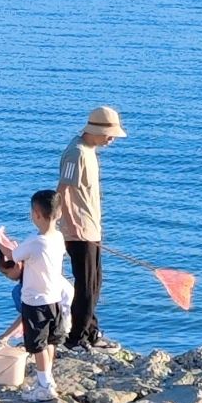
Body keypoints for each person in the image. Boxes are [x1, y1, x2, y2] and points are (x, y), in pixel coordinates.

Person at [57, 105, 127, 352]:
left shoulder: (89, 151)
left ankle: (90, 332)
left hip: (91, 228)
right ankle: (76, 338)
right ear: (95, 130)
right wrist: (72, 223)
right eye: (109, 134)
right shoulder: (75, 152)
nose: (111, 140)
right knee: (86, 286)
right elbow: (62, 190)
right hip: (78, 231)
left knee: (94, 283)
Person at [0, 190, 68, 402]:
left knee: (38, 345)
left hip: (35, 301)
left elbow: (11, 256)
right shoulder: (59, 238)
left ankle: (45, 386)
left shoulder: (36, 241)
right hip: (55, 299)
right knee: (50, 341)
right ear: (59, 213)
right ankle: (47, 378)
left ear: (36, 214)